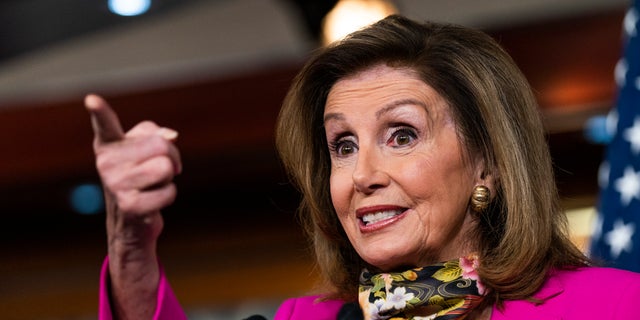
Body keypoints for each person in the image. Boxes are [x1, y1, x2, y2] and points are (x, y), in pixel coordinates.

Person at [86, 15, 640, 320]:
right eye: (343, 146)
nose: (362, 175)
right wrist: (131, 245)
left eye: (402, 135)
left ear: (488, 164)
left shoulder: (615, 307)